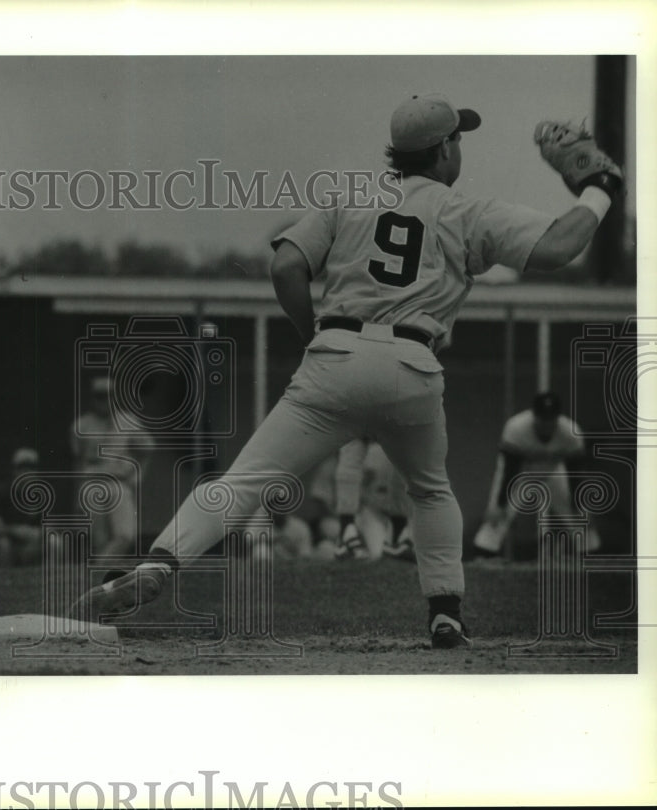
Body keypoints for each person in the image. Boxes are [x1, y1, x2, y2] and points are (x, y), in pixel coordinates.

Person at [72, 92, 621, 649]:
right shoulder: (466, 211)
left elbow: (286, 265)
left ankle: (161, 563)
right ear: (443, 151)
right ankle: (445, 612)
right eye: (457, 139)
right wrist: (601, 187)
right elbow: (559, 246)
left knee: (241, 483)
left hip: (333, 360)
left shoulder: (351, 198)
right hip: (412, 364)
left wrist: (313, 331)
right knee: (430, 491)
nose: (460, 149)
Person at [473, 391, 600, 559]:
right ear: (534, 415)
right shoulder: (516, 427)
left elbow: (575, 473)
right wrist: (500, 503)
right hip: (522, 473)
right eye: (542, 418)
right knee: (498, 513)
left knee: (580, 515)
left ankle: (591, 557)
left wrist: (580, 505)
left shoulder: (570, 432)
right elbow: (510, 471)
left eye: (551, 418)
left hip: (554, 471)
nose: (547, 423)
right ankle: (483, 555)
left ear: (558, 417)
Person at [69, 376, 154, 556]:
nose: (104, 400)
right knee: (97, 539)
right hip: (92, 482)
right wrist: (77, 496)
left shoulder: (127, 421)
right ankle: (100, 574)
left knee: (125, 535)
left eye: (108, 395)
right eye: (99, 396)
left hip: (119, 482)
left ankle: (98, 568)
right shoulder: (81, 425)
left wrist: (137, 477)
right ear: (92, 398)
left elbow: (147, 449)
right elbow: (78, 462)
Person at [332, 438, 415, 562]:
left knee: (403, 447)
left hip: (400, 511)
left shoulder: (382, 452)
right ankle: (346, 533)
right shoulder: (372, 453)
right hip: (373, 511)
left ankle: (397, 536)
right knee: (354, 440)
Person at [0, 447, 45, 568]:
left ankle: (49, 581)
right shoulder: (1, 492)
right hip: (3, 545)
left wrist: (35, 535)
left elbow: (49, 529)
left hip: (29, 545)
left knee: (54, 543)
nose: (27, 472)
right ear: (14, 471)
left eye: (32, 467)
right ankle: (6, 582)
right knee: (4, 545)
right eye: (22, 468)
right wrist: (19, 531)